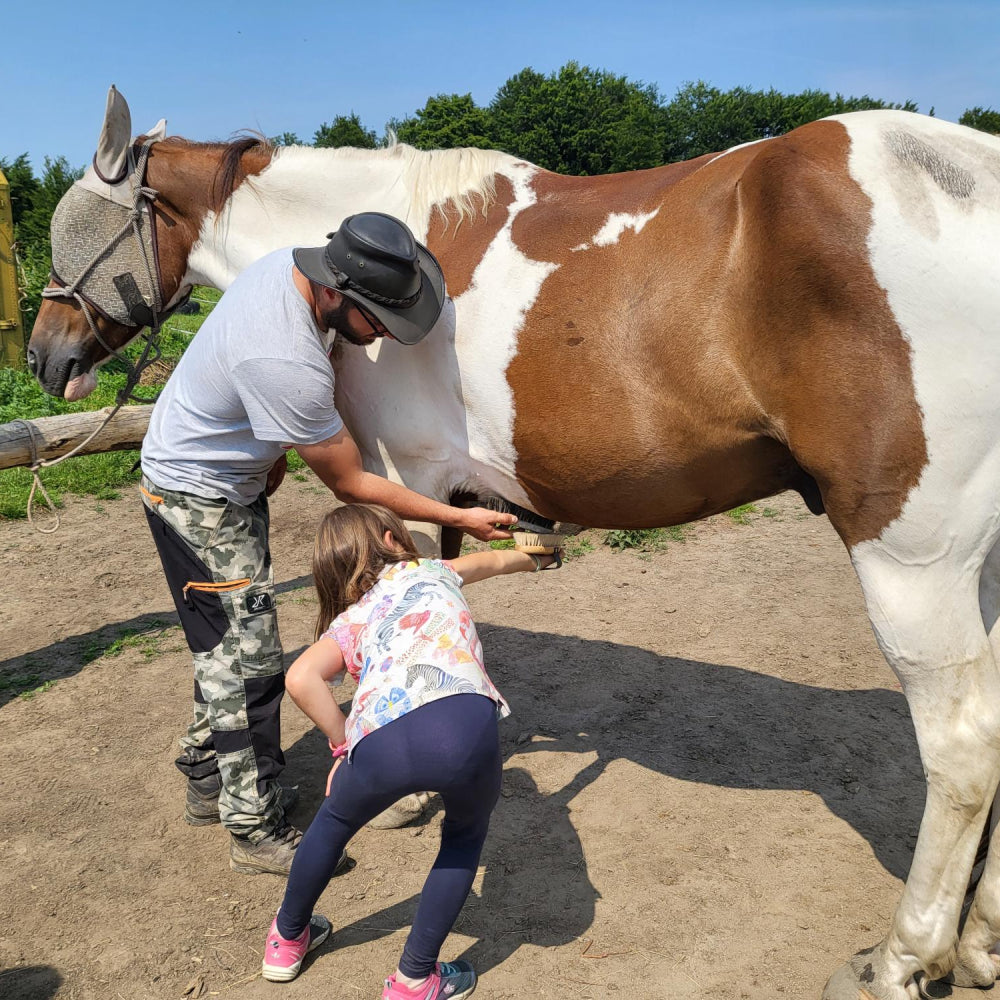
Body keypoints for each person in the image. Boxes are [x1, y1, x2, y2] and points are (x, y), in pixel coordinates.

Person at [139, 212, 516, 877]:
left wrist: (268, 446)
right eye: (377, 321)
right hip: (199, 499)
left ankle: (204, 766)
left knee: (225, 637)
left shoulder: (294, 265)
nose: (379, 339)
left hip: (221, 481)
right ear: (336, 293)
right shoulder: (283, 359)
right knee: (249, 663)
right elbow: (350, 483)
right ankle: (253, 828)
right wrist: (463, 520)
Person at [259, 503, 560, 997]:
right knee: (462, 837)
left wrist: (343, 744)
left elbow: (300, 678)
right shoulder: (430, 570)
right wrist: (538, 558)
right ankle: (413, 979)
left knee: (334, 822)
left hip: (380, 736)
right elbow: (491, 563)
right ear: (391, 538)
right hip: (463, 722)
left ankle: (287, 939)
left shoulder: (351, 620)